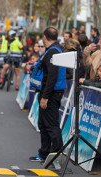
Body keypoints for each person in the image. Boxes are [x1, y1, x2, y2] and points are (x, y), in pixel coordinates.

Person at [29, 27, 66, 161]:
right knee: (43, 124)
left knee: (50, 125)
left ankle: (55, 153)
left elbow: (52, 76)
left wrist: (45, 97)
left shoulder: (53, 52)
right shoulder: (56, 50)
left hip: (51, 93)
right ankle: (44, 153)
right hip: (50, 92)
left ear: (44, 37)